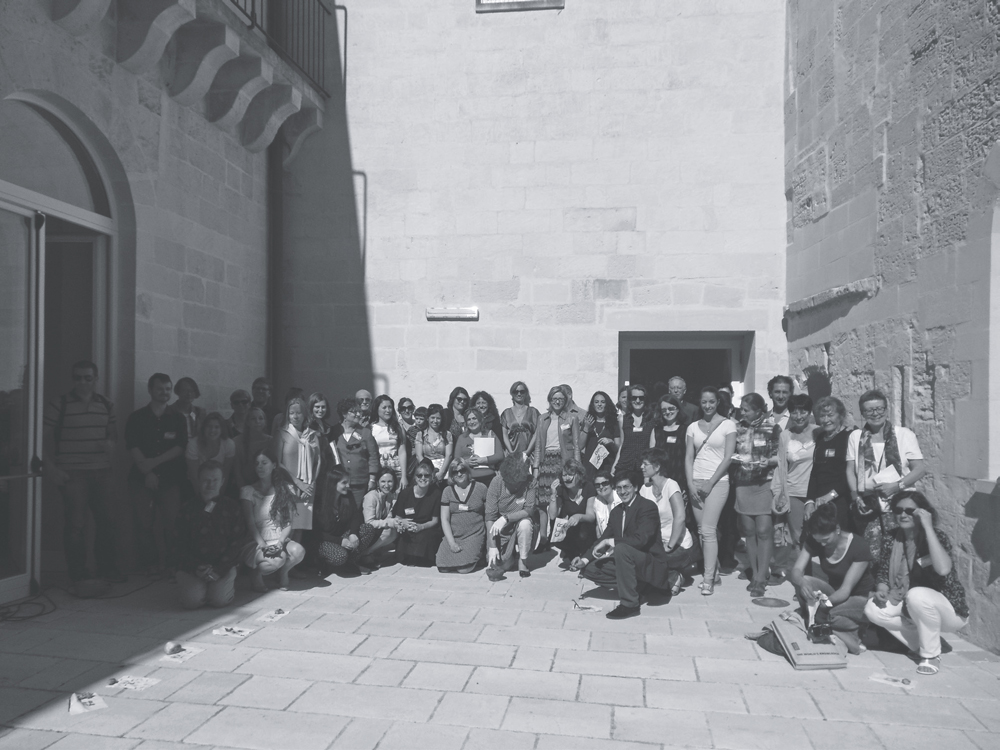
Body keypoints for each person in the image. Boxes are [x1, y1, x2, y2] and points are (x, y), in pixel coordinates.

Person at [864, 491, 969, 675]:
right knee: (873, 609)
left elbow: (943, 569)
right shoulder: (891, 537)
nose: (903, 515)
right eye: (898, 510)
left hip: (947, 608)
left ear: (922, 513)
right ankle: (925, 643)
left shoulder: (936, 537)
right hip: (906, 601)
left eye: (910, 511)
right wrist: (882, 587)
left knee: (917, 594)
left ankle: (931, 654)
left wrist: (928, 528)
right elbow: (883, 570)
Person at [42, 360, 124, 589]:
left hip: (102, 471)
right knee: (76, 526)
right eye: (78, 377)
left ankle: (106, 568)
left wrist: (110, 444)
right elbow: (37, 436)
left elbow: (113, 436)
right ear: (73, 379)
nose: (82, 382)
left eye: (88, 378)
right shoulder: (60, 404)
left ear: (95, 379)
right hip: (72, 473)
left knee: (107, 522)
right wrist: (51, 469)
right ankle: (78, 574)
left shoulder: (106, 404)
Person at [571, 469, 676, 619]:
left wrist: (610, 542)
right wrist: (584, 560)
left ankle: (630, 604)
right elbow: (603, 538)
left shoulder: (647, 507)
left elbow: (641, 540)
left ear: (635, 487)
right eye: (619, 488)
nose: (623, 491)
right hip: (630, 563)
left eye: (626, 487)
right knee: (590, 569)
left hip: (650, 563)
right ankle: (640, 586)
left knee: (621, 549)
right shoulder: (616, 512)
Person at [847, 389, 926, 561]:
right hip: (868, 502)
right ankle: (877, 587)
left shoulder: (904, 435)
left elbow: (919, 469)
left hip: (898, 503)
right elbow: (850, 470)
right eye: (869, 410)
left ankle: (899, 586)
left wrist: (896, 486)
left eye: (879, 409)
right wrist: (855, 496)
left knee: (899, 551)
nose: (875, 414)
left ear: (886, 409)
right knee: (871, 552)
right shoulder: (855, 437)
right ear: (862, 413)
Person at [788, 503, 873, 654]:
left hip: (857, 597)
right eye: (819, 540)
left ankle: (836, 629)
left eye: (826, 539)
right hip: (834, 591)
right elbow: (796, 571)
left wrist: (824, 604)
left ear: (838, 530)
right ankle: (826, 626)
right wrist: (802, 583)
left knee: (826, 614)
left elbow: (846, 590)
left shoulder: (859, 547)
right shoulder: (814, 541)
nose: (822, 544)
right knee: (806, 580)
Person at [126, 373, 188, 577]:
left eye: (168, 389)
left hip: (170, 480)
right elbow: (132, 447)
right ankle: (150, 565)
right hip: (141, 479)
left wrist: (154, 463)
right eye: (160, 388)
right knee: (144, 525)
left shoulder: (178, 418)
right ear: (150, 390)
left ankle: (172, 565)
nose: (165, 392)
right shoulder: (136, 418)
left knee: (172, 525)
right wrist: (148, 471)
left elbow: (180, 447)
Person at [684, 386, 737, 594]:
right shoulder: (692, 427)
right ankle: (713, 573)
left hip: (718, 482)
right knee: (702, 530)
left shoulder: (728, 425)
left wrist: (710, 482)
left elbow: (728, 458)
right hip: (695, 480)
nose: (707, 405)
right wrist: (690, 482)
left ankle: (708, 579)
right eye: (704, 402)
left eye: (712, 402)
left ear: (718, 402)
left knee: (708, 529)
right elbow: (689, 457)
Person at [731, 393, 782, 598]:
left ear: (758, 410)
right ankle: (754, 572)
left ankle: (762, 577)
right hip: (743, 481)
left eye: (746, 409)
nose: (742, 413)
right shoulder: (738, 428)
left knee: (764, 530)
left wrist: (767, 462)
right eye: (742, 409)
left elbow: (780, 455)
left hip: (764, 481)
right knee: (749, 531)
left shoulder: (773, 428)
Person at [175, 461, 245, 609]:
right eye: (206, 480)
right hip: (192, 567)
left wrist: (220, 569)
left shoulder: (232, 507)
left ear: (222, 482)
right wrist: (195, 567)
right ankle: (200, 588)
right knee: (191, 602)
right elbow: (178, 544)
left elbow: (238, 542)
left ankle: (216, 588)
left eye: (215, 480)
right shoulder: (187, 509)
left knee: (219, 601)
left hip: (223, 566)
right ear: (198, 481)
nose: (210, 484)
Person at [240, 446, 305, 592]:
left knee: (298, 551)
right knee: (277, 560)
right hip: (257, 540)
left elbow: (288, 522)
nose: (260, 467)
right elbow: (250, 523)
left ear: (274, 465)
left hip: (279, 537)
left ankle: (283, 573)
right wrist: (262, 543)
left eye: (264, 463)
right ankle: (256, 574)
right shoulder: (248, 491)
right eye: (257, 464)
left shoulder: (284, 489)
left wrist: (281, 541)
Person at [640, 449, 698, 595]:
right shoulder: (644, 489)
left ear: (657, 467)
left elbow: (680, 518)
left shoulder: (671, 485)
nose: (641, 467)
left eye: (645, 464)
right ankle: (667, 576)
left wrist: (670, 545)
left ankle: (672, 575)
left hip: (679, 545)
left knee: (650, 560)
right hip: (657, 544)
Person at [770, 394, 816, 565]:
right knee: (798, 537)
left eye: (803, 411)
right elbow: (781, 465)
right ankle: (803, 579)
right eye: (794, 412)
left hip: (816, 492)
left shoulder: (819, 432)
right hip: (794, 491)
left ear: (810, 412)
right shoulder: (786, 435)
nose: (798, 416)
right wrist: (778, 492)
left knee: (818, 535)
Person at [532, 385, 580, 544]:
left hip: (563, 461)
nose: (557, 401)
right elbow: (538, 445)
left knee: (559, 499)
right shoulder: (542, 418)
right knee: (542, 503)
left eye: (560, 399)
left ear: (565, 400)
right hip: (546, 462)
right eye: (554, 399)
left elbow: (576, 444)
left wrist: (577, 467)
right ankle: (544, 538)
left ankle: (557, 537)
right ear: (550, 400)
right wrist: (536, 468)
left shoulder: (571, 418)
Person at [315, 468, 379, 575]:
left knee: (367, 529)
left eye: (348, 482)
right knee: (340, 556)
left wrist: (353, 533)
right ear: (333, 484)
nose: (348, 486)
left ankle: (350, 563)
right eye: (344, 483)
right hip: (325, 540)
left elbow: (356, 516)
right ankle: (325, 563)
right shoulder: (320, 502)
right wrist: (340, 541)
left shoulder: (347, 496)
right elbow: (317, 533)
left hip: (342, 536)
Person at [274, 396, 320, 544]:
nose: (295, 416)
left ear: (305, 414)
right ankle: (284, 560)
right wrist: (299, 484)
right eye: (291, 412)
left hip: (308, 488)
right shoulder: (282, 433)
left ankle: (296, 563)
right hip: (288, 486)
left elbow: (318, 461)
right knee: (288, 525)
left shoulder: (312, 435)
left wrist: (311, 485)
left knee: (301, 525)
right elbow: (278, 463)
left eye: (299, 412)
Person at [485, 452, 538, 579]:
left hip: (520, 522)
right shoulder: (497, 482)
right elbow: (489, 517)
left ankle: (523, 561)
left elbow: (529, 509)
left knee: (525, 524)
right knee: (503, 565)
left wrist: (506, 518)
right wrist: (492, 546)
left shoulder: (531, 482)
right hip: (500, 529)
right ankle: (509, 554)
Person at [805, 396, 853, 531]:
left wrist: (831, 495)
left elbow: (849, 471)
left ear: (841, 415)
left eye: (830, 415)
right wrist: (809, 501)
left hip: (840, 498)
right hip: (820, 498)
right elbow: (815, 472)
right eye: (822, 416)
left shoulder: (849, 436)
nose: (826, 420)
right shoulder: (820, 437)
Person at [436, 460, 487, 573]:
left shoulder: (481, 488)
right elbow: (445, 519)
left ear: (468, 471)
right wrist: (452, 543)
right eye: (455, 472)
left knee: (464, 569)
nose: (459, 474)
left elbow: (488, 514)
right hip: (454, 536)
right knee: (442, 567)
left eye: (462, 470)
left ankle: (479, 554)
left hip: (474, 534)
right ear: (451, 475)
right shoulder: (447, 491)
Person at [392, 458, 443, 566]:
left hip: (426, 527)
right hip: (408, 526)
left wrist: (421, 527)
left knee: (427, 536)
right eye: (419, 475)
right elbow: (398, 517)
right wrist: (403, 524)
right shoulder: (405, 493)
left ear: (432, 477)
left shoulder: (436, 494)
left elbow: (435, 521)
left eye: (427, 475)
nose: (423, 478)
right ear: (415, 477)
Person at [331, 397, 380, 508]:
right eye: (354, 412)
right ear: (344, 414)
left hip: (360, 482)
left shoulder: (365, 432)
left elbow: (373, 456)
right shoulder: (334, 432)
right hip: (340, 483)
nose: (358, 414)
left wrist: (372, 479)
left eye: (359, 411)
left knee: (357, 513)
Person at [548, 459, 598, 563]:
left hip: (586, 526)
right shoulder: (562, 489)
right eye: (564, 475)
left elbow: (591, 516)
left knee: (584, 532)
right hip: (570, 527)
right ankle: (573, 554)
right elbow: (553, 516)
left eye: (570, 474)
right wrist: (553, 494)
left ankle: (584, 556)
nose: (566, 478)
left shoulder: (588, 487)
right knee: (555, 530)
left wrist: (579, 516)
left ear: (579, 475)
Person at [454, 408, 503, 485]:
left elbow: (500, 455)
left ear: (480, 420)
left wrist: (484, 460)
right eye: (469, 419)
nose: (472, 422)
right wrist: (466, 462)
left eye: (474, 418)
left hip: (488, 477)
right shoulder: (462, 438)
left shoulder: (490, 434)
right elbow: (456, 459)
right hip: (469, 478)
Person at [185, 412, 235, 488]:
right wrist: (202, 498)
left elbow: (225, 475)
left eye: (216, 427)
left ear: (222, 429)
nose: (212, 430)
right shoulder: (193, 444)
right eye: (209, 426)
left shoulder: (229, 444)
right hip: (196, 485)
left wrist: (218, 497)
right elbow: (194, 476)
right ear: (203, 428)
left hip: (219, 485)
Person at [362, 467, 400, 565]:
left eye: (390, 481)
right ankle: (364, 553)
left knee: (394, 531)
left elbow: (390, 516)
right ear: (378, 482)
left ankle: (372, 552)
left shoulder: (391, 496)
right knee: (389, 529)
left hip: (377, 530)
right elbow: (369, 522)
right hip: (365, 532)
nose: (386, 485)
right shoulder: (371, 497)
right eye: (383, 481)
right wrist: (390, 522)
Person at [371, 395, 409, 490]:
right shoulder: (371, 428)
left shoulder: (398, 427)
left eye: (390, 407)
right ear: (377, 409)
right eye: (384, 407)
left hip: (397, 472)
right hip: (380, 473)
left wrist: (404, 476)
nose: (388, 410)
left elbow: (402, 452)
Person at [580, 390, 621, 480]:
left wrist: (611, 442)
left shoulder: (614, 422)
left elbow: (618, 448)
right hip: (590, 466)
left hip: (607, 465)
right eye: (596, 402)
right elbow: (580, 446)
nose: (599, 404)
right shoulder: (588, 421)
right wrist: (586, 428)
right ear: (593, 404)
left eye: (603, 402)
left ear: (607, 404)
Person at [649, 394, 687, 487]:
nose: (668, 412)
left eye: (671, 408)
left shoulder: (686, 430)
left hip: (680, 478)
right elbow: (651, 458)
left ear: (678, 409)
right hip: (659, 479)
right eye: (664, 410)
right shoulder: (656, 431)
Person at [614, 384, 652, 475]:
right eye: (634, 398)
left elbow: (652, 447)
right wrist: (615, 464)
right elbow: (622, 445)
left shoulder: (651, 419)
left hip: (644, 467)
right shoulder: (622, 419)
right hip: (625, 465)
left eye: (641, 398)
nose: (637, 401)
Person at [415, 403, 454, 482]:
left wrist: (441, 472)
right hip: (426, 473)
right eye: (432, 418)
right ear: (428, 418)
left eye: (438, 418)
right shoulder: (420, 435)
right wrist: (428, 471)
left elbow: (449, 455)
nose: (435, 421)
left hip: (443, 472)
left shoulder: (447, 434)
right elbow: (419, 455)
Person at [234, 407, 271, 489]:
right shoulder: (237, 441)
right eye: (253, 419)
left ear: (265, 422)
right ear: (247, 422)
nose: (257, 421)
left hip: (268, 487)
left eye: (261, 418)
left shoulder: (271, 441)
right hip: (246, 486)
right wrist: (245, 491)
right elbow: (237, 471)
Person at [500, 381, 540, 455]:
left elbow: (537, 433)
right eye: (516, 391)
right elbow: (504, 435)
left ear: (526, 393)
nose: (519, 394)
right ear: (512, 393)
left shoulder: (533, 412)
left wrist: (528, 451)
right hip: (511, 454)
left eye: (522, 391)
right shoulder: (506, 413)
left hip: (530, 454)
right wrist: (511, 451)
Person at [170, 376, 205, 441]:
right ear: (178, 391)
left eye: (192, 391)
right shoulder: (169, 411)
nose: (189, 394)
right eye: (185, 390)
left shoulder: (200, 412)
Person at [591, 469, 621, 537]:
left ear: (612, 484)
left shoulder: (621, 499)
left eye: (604, 483)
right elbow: (598, 526)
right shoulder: (597, 501)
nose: (601, 487)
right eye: (597, 485)